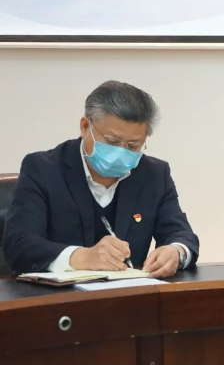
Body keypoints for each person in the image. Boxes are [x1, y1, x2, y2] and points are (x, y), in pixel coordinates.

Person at [3, 80, 199, 278]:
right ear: (85, 126)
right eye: (112, 141)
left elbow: (182, 235)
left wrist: (176, 252)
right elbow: (18, 244)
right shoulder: (43, 169)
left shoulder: (153, 174)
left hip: (129, 293)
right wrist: (80, 257)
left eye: (133, 145)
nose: (121, 152)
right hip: (58, 295)